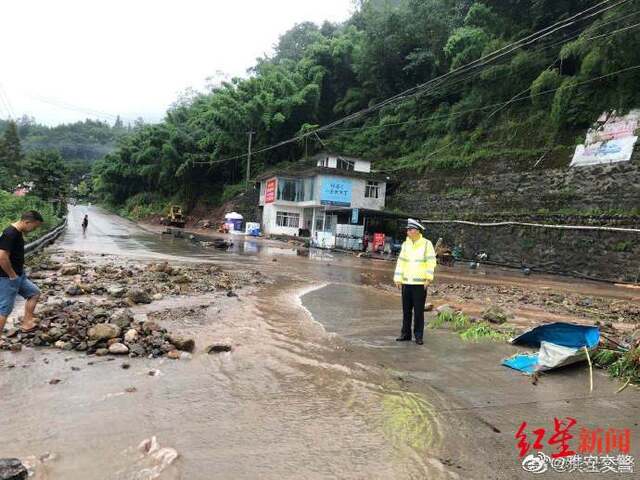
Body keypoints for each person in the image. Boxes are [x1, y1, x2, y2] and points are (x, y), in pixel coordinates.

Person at [393, 219, 437, 345]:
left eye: (410, 229)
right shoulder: (405, 244)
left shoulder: (426, 244)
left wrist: (428, 278)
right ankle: (405, 334)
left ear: (417, 231)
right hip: (406, 283)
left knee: (418, 311)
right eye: (407, 230)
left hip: (419, 284)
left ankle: (418, 336)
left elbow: (431, 262)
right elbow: (401, 262)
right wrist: (397, 278)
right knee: (406, 311)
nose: (408, 231)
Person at [0, 211, 44, 334]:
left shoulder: (18, 233)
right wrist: (12, 275)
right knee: (4, 309)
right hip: (7, 277)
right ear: (27, 222)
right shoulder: (10, 233)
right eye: (34, 227)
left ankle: (27, 323)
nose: (34, 230)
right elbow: (2, 257)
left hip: (19, 275)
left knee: (34, 293)